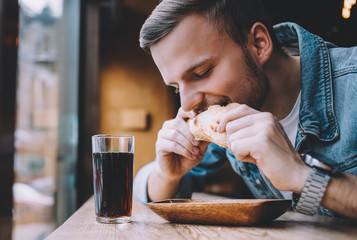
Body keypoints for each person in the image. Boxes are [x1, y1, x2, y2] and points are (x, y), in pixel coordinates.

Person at [133, 0, 357, 220]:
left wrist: (301, 176)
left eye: (201, 73)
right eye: (176, 88)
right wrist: (167, 175)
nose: (186, 104)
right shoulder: (228, 114)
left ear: (258, 44)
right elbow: (144, 188)